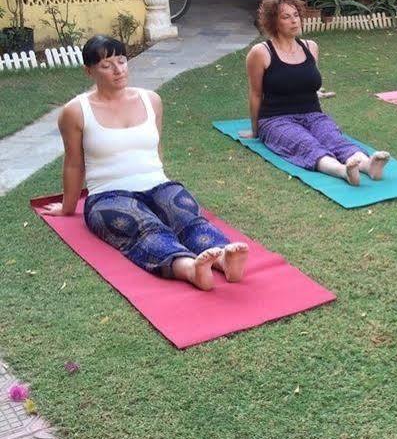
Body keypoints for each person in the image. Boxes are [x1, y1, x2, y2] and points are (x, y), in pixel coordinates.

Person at [44, 35, 248, 291]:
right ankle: (190, 269)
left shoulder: (151, 99)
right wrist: (67, 207)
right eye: (107, 66)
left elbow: (156, 148)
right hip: (108, 195)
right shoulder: (75, 111)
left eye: (122, 61)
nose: (118, 70)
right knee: (146, 228)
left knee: (186, 218)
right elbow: (74, 164)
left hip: (158, 184)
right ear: (89, 71)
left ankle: (222, 259)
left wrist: (164, 187)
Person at [245, 0, 389, 185]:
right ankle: (343, 171)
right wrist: (256, 131)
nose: (294, 21)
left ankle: (367, 165)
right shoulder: (261, 52)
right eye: (286, 17)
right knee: (305, 144)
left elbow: (307, 82)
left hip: (313, 114)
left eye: (296, 15)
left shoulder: (310, 47)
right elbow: (255, 94)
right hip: (276, 119)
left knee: (334, 138)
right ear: (274, 22)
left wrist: (318, 93)